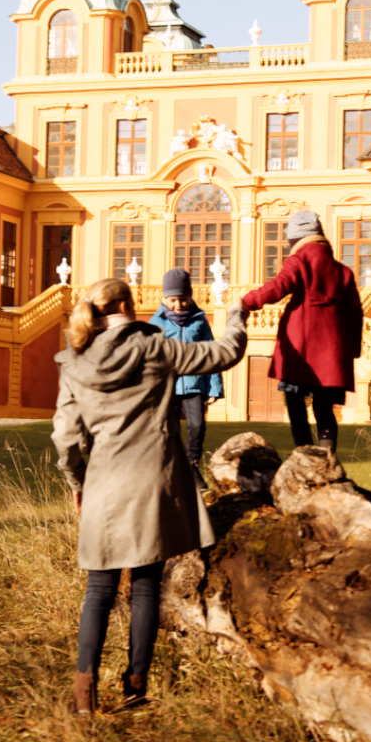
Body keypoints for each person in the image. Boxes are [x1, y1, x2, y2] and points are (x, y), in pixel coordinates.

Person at [53, 277, 247, 717]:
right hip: (154, 481)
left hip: (103, 482)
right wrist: (235, 314)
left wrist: (78, 483)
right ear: (129, 304)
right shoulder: (155, 347)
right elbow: (225, 354)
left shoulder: (75, 361)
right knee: (144, 586)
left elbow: (64, 438)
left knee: (99, 589)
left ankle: (84, 694)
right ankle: (135, 687)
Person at [241, 210, 362, 456]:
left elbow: (278, 287)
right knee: (325, 410)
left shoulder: (299, 261)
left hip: (301, 352)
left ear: (296, 239)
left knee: (295, 404)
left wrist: (246, 302)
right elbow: (355, 315)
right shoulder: (343, 271)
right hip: (333, 354)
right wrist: (353, 351)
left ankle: (304, 456)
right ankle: (328, 460)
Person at [149, 268, 223, 483]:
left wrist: (214, 387)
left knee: (197, 426)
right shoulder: (156, 323)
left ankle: (192, 465)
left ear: (190, 297)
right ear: (164, 298)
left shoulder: (200, 321)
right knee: (168, 430)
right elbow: (150, 358)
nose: (178, 305)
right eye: (173, 300)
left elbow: (211, 354)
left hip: (195, 385)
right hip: (167, 387)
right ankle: (171, 469)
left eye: (183, 299)